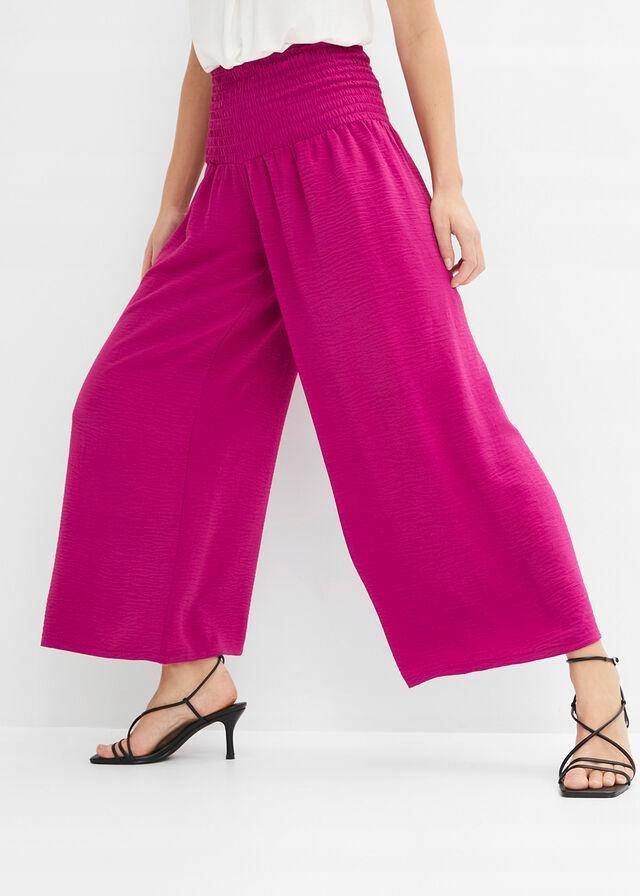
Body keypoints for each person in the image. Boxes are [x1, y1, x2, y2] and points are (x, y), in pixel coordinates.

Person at [40, 0, 634, 796]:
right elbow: (203, 57)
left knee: (438, 422)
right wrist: (173, 206)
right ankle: (191, 673)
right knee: (127, 402)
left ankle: (594, 678)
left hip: (337, 149)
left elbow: (416, 28)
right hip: (230, 174)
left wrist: (449, 186)